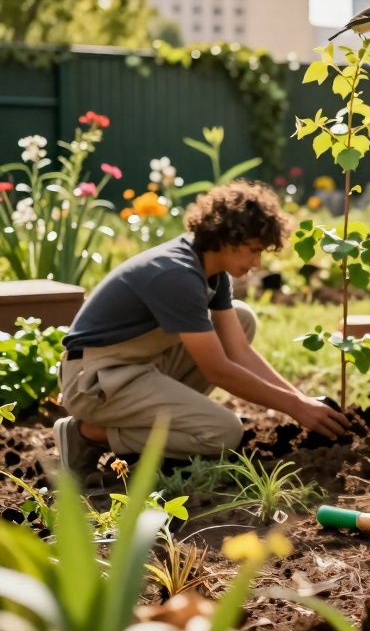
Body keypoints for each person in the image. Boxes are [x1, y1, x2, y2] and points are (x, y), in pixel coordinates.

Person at [56, 181, 350, 475]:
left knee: (241, 318)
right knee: (223, 433)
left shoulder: (211, 271)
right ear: (228, 238)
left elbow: (238, 351)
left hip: (135, 366)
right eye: (253, 250)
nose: (257, 262)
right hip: (93, 382)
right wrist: (295, 407)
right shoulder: (177, 273)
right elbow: (217, 369)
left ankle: (150, 419)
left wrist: (300, 401)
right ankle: (89, 433)